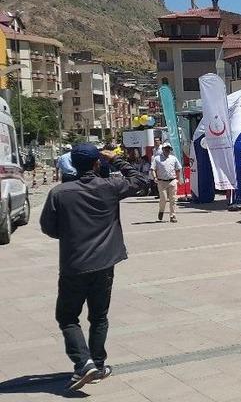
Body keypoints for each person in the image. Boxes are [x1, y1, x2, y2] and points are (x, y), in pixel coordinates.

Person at [39, 144, 148, 390]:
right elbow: (141, 180)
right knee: (99, 316)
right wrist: (116, 159)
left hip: (75, 264)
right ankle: (96, 364)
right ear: (97, 163)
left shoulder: (59, 193)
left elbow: (48, 227)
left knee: (67, 317)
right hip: (105, 263)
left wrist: (71, 234)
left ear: (72, 165)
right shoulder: (110, 187)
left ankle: (84, 363)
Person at [150, 142, 181, 223]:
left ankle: (172, 216)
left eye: (168, 149)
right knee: (163, 199)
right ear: (162, 149)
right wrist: (155, 177)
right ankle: (161, 210)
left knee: (173, 199)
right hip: (162, 182)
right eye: (165, 148)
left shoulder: (173, 158)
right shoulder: (157, 158)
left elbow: (178, 168)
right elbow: (152, 169)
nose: (167, 150)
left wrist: (177, 178)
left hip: (172, 181)